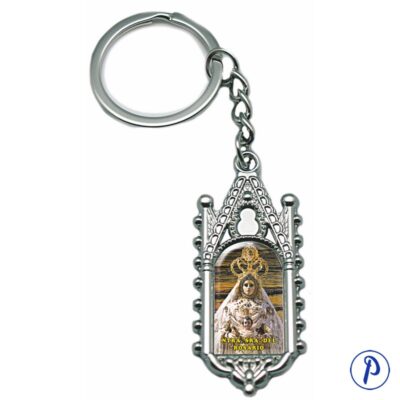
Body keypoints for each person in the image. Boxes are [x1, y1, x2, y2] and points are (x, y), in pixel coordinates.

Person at [214, 245, 284, 354]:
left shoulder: (264, 307)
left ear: (256, 287)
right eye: (245, 285)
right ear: (241, 287)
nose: (248, 288)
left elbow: (273, 331)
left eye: (251, 285)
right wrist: (228, 336)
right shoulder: (231, 307)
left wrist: (265, 337)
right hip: (236, 350)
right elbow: (222, 330)